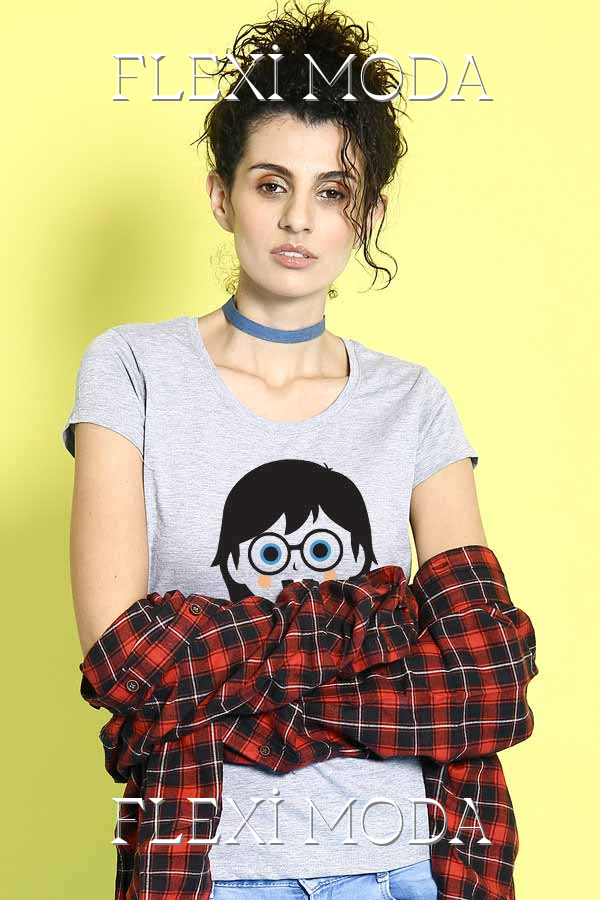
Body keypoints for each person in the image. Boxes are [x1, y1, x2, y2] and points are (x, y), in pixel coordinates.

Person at [62, 2, 488, 898]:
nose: (299, 218)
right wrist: (375, 628)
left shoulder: (413, 400)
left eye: (332, 191)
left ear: (366, 213)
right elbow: (122, 655)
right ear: (222, 195)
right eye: (270, 184)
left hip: (401, 864)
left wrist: (219, 654)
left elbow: (482, 666)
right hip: (217, 866)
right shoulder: (133, 369)